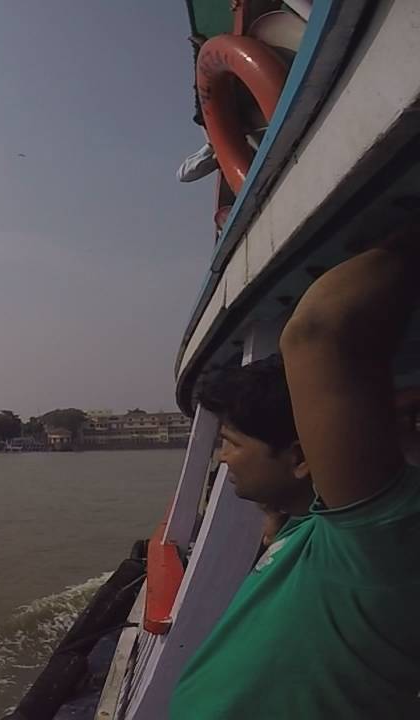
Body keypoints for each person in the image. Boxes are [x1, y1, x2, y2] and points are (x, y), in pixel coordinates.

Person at [170, 231, 420, 719]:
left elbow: (317, 331)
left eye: (231, 443)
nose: (223, 460)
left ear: (303, 458)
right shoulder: (305, 526)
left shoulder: (369, 546)